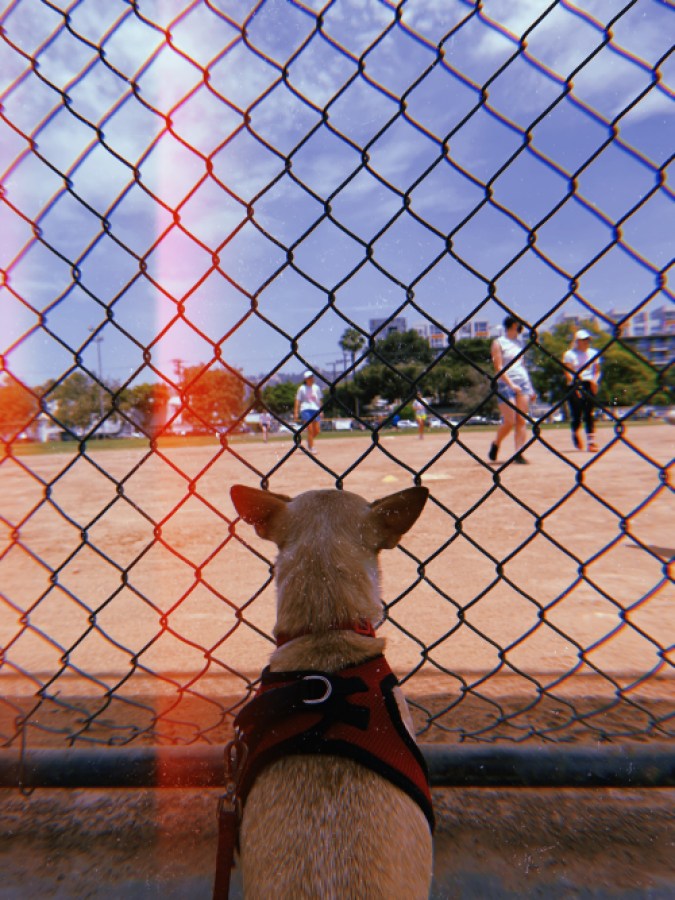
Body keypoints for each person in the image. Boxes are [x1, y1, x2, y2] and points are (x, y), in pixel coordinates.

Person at [489, 315, 536, 464]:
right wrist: (510, 384)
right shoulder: (498, 343)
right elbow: (498, 367)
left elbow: (522, 366)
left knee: (521, 419)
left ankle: (519, 453)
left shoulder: (520, 343)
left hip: (523, 381)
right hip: (505, 382)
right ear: (513, 324)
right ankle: (496, 443)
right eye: (520, 323)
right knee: (510, 420)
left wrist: (531, 388)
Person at [563, 329, 601, 452]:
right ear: (577, 341)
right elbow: (567, 371)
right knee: (577, 413)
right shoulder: (570, 354)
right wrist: (575, 385)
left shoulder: (593, 353)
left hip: (589, 383)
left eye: (587, 340)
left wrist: (595, 381)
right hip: (574, 383)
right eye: (583, 340)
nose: (586, 342)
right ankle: (575, 432)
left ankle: (591, 442)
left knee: (589, 412)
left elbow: (597, 370)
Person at [294, 371, 322, 453]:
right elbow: (297, 400)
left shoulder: (316, 388)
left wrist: (321, 410)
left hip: (315, 409)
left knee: (317, 430)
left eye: (311, 377)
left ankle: (309, 440)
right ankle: (312, 447)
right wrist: (296, 412)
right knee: (310, 429)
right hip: (305, 409)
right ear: (305, 379)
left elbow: (319, 400)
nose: (311, 378)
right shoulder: (302, 388)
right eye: (309, 377)